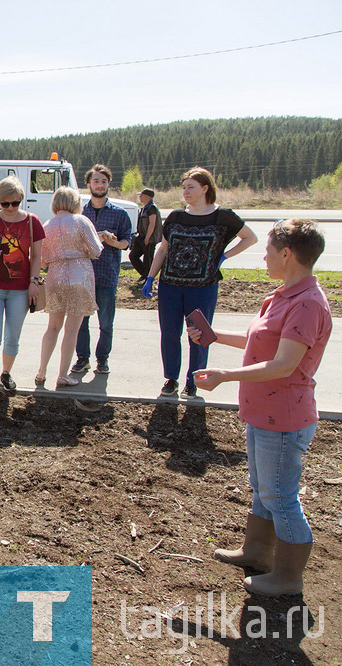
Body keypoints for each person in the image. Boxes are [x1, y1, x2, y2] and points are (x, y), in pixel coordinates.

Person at [191, 219, 331, 597]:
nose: (264, 256)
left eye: (268, 251)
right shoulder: (283, 294)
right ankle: (256, 551)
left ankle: (287, 578)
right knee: (262, 488)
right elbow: (261, 340)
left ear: (287, 254)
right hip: (264, 412)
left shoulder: (306, 304)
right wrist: (216, 336)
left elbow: (284, 364)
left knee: (281, 496)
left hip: (283, 416)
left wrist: (225, 375)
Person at [143, 167, 258, 397]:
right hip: (171, 286)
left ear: (205, 188)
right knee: (169, 333)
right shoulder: (176, 216)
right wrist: (150, 277)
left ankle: (195, 379)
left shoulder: (223, 216)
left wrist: (224, 256)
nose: (185, 191)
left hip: (203, 287)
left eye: (191, 187)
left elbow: (250, 238)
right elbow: (163, 248)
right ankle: (171, 379)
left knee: (199, 334)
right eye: (183, 187)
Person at [0, 175, 44, 409]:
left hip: (20, 289)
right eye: (6, 204)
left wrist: (34, 281)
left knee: (12, 338)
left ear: (22, 199)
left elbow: (37, 257)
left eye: (15, 203)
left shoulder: (33, 222)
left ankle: (6, 374)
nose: (11, 208)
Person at [36, 187, 103, 387]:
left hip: (55, 275)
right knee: (72, 329)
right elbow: (96, 250)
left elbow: (43, 260)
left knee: (52, 327)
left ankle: (41, 371)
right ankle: (63, 374)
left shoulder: (47, 225)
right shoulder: (81, 221)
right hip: (79, 273)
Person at [71, 164, 131, 376]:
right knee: (81, 321)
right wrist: (97, 235)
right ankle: (82, 358)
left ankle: (102, 360)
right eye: (96, 181)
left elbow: (126, 242)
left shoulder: (120, 214)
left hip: (107, 275)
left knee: (106, 322)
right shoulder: (79, 212)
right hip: (82, 275)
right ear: (88, 184)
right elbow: (73, 241)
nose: (100, 185)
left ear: (108, 184)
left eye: (104, 181)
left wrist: (113, 242)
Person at [129, 187, 161, 281]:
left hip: (149, 239)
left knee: (148, 259)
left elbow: (152, 223)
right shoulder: (144, 208)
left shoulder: (152, 208)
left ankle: (148, 279)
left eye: (141, 195)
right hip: (141, 237)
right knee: (133, 256)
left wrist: (147, 237)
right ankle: (144, 274)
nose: (140, 197)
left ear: (147, 197)